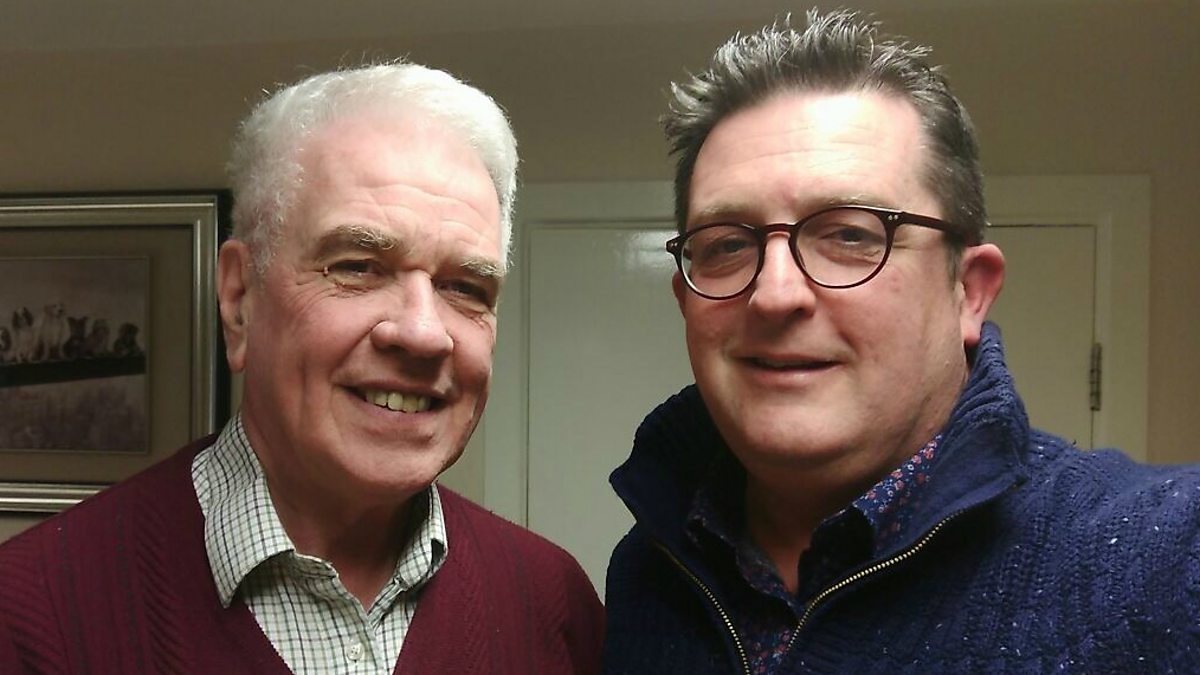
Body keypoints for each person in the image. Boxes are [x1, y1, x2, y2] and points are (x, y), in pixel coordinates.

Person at [603, 9, 1200, 674]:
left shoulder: (1163, 559)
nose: (774, 293)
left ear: (969, 291)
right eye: (726, 245)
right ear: (686, 300)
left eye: (850, 234)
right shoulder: (647, 576)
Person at [0, 62, 603, 674]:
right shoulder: (29, 619)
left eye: (466, 288)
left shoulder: (554, 607)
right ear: (240, 299)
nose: (424, 333)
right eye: (357, 267)